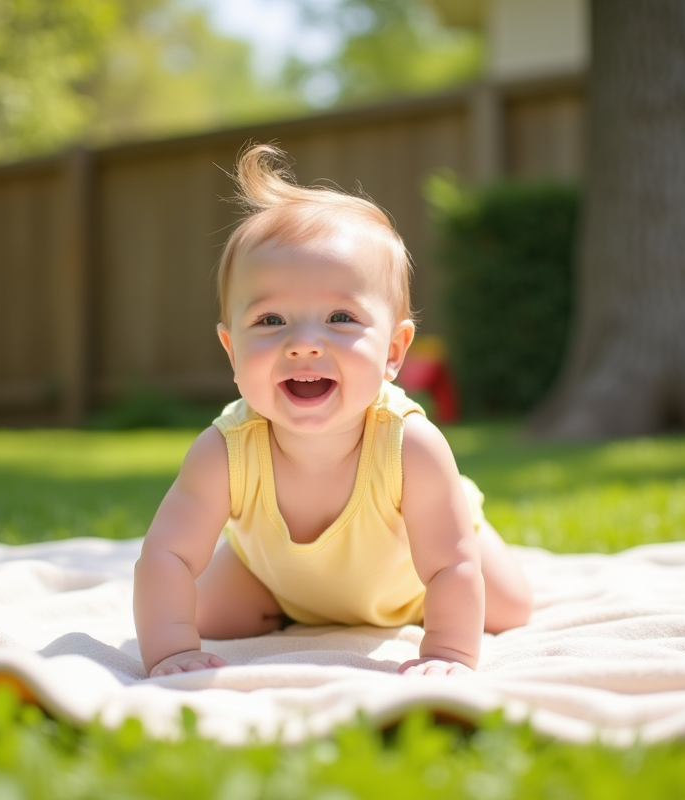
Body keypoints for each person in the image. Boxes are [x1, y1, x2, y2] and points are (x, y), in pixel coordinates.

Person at [134, 144, 532, 678]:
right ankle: (291, 604)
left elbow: (450, 563)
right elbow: (168, 555)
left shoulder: (410, 445)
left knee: (508, 607)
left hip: (415, 578)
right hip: (277, 580)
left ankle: (432, 594)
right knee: (206, 614)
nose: (303, 344)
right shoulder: (223, 451)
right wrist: (172, 649)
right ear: (232, 351)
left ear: (393, 351)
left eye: (340, 317)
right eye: (271, 320)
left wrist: (447, 653)